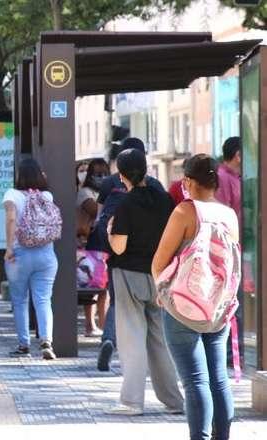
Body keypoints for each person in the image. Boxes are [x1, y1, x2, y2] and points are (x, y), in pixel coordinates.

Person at [153, 154, 239, 440]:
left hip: (184, 306)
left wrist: (161, 291)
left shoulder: (185, 212)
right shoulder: (229, 215)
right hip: (218, 308)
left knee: (195, 381)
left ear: (188, 180)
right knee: (218, 378)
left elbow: (159, 262)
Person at [104, 148, 184, 416]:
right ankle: (174, 401)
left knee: (132, 338)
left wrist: (108, 231)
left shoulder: (125, 204)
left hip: (129, 274)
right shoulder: (163, 199)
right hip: (160, 276)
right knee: (160, 340)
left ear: (122, 175)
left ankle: (131, 401)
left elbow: (119, 247)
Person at [93, 137, 165, 371]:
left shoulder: (115, 191)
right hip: (156, 267)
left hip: (124, 267)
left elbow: (106, 228)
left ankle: (109, 340)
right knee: (158, 329)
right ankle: (171, 394)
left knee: (126, 320)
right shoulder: (159, 191)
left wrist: (109, 235)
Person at [3, 158, 58, 360]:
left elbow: (10, 218)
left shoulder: (12, 195)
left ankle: (24, 344)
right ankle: (46, 341)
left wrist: (9, 248)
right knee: (43, 299)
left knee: (19, 300)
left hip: (20, 254)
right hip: (46, 254)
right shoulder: (47, 195)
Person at [214, 136, 244, 365]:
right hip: (230, 251)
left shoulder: (234, 177)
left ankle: (233, 351)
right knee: (233, 301)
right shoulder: (224, 178)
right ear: (238, 155)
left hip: (238, 249)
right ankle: (230, 352)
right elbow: (223, 217)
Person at [77, 158, 110, 337]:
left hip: (101, 243)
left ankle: (100, 324)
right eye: (97, 174)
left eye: (104, 173)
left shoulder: (101, 192)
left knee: (102, 286)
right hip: (89, 244)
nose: (101, 177)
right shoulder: (85, 192)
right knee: (91, 286)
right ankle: (91, 324)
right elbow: (97, 212)